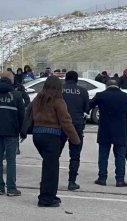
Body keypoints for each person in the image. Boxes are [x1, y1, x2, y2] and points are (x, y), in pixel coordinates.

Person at [31, 76, 80, 207]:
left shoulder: (38, 99)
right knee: (51, 169)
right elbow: (66, 122)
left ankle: (51, 194)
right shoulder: (58, 101)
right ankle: (46, 199)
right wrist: (75, 139)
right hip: (51, 137)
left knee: (49, 167)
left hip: (37, 136)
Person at [90, 80, 127, 187]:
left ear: (106, 86)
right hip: (120, 129)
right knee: (120, 156)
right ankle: (120, 180)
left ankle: (102, 178)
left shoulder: (101, 95)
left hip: (105, 129)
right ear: (118, 86)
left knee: (103, 155)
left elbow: (89, 105)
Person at [60, 71, 89, 190]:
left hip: (60, 124)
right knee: (75, 155)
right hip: (76, 125)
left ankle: (49, 179)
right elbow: (86, 108)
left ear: (66, 79)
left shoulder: (59, 90)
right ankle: (72, 181)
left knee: (54, 154)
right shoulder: (82, 91)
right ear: (77, 79)